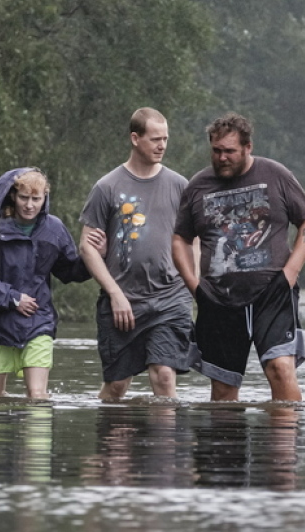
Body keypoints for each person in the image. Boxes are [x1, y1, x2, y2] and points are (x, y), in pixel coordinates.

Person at [172, 112, 305, 402]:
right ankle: (227, 446)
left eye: (230, 151)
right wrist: (194, 286)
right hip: (218, 299)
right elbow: (180, 239)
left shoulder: (275, 175)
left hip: (273, 293)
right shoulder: (198, 186)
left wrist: (290, 272)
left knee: (280, 369)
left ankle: (285, 444)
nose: (222, 157)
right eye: (216, 151)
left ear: (247, 147)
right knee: (224, 388)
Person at [79, 108, 193, 402]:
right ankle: (111, 443)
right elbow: (87, 247)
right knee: (117, 387)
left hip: (170, 298)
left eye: (166, 138)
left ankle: (164, 448)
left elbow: (195, 240)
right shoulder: (107, 187)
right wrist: (114, 294)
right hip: (123, 300)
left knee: (164, 375)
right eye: (155, 139)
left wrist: (195, 283)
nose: (162, 145)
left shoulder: (181, 186)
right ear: (135, 138)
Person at [0, 167, 93, 399]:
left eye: (37, 198)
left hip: (37, 321)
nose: (30, 205)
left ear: (45, 198)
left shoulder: (54, 228)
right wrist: (12, 298)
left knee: (37, 397)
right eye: (24, 197)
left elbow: (69, 270)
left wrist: (93, 255)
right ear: (12, 195)